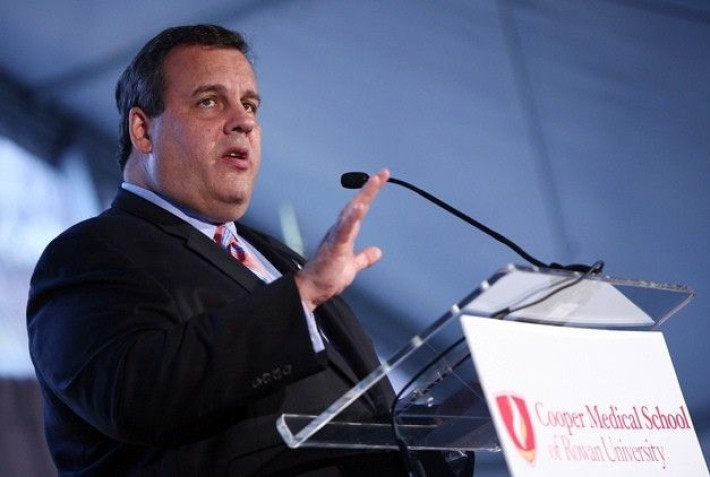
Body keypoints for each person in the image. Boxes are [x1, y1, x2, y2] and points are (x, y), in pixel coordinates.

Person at [27, 25, 472, 476]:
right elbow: (132, 395)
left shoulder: (280, 258)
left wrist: (433, 437)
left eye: (250, 104)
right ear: (143, 130)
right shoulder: (89, 254)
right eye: (209, 101)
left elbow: (365, 411)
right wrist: (298, 297)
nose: (244, 121)